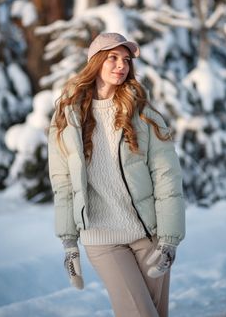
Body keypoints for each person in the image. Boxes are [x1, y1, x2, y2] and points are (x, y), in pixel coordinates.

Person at [48, 32, 185, 317]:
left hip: (149, 235)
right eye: (112, 57)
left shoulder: (143, 115)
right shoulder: (68, 116)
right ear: (95, 61)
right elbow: (62, 183)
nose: (120, 65)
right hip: (101, 237)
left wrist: (169, 239)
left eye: (125, 60)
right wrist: (69, 243)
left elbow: (167, 178)